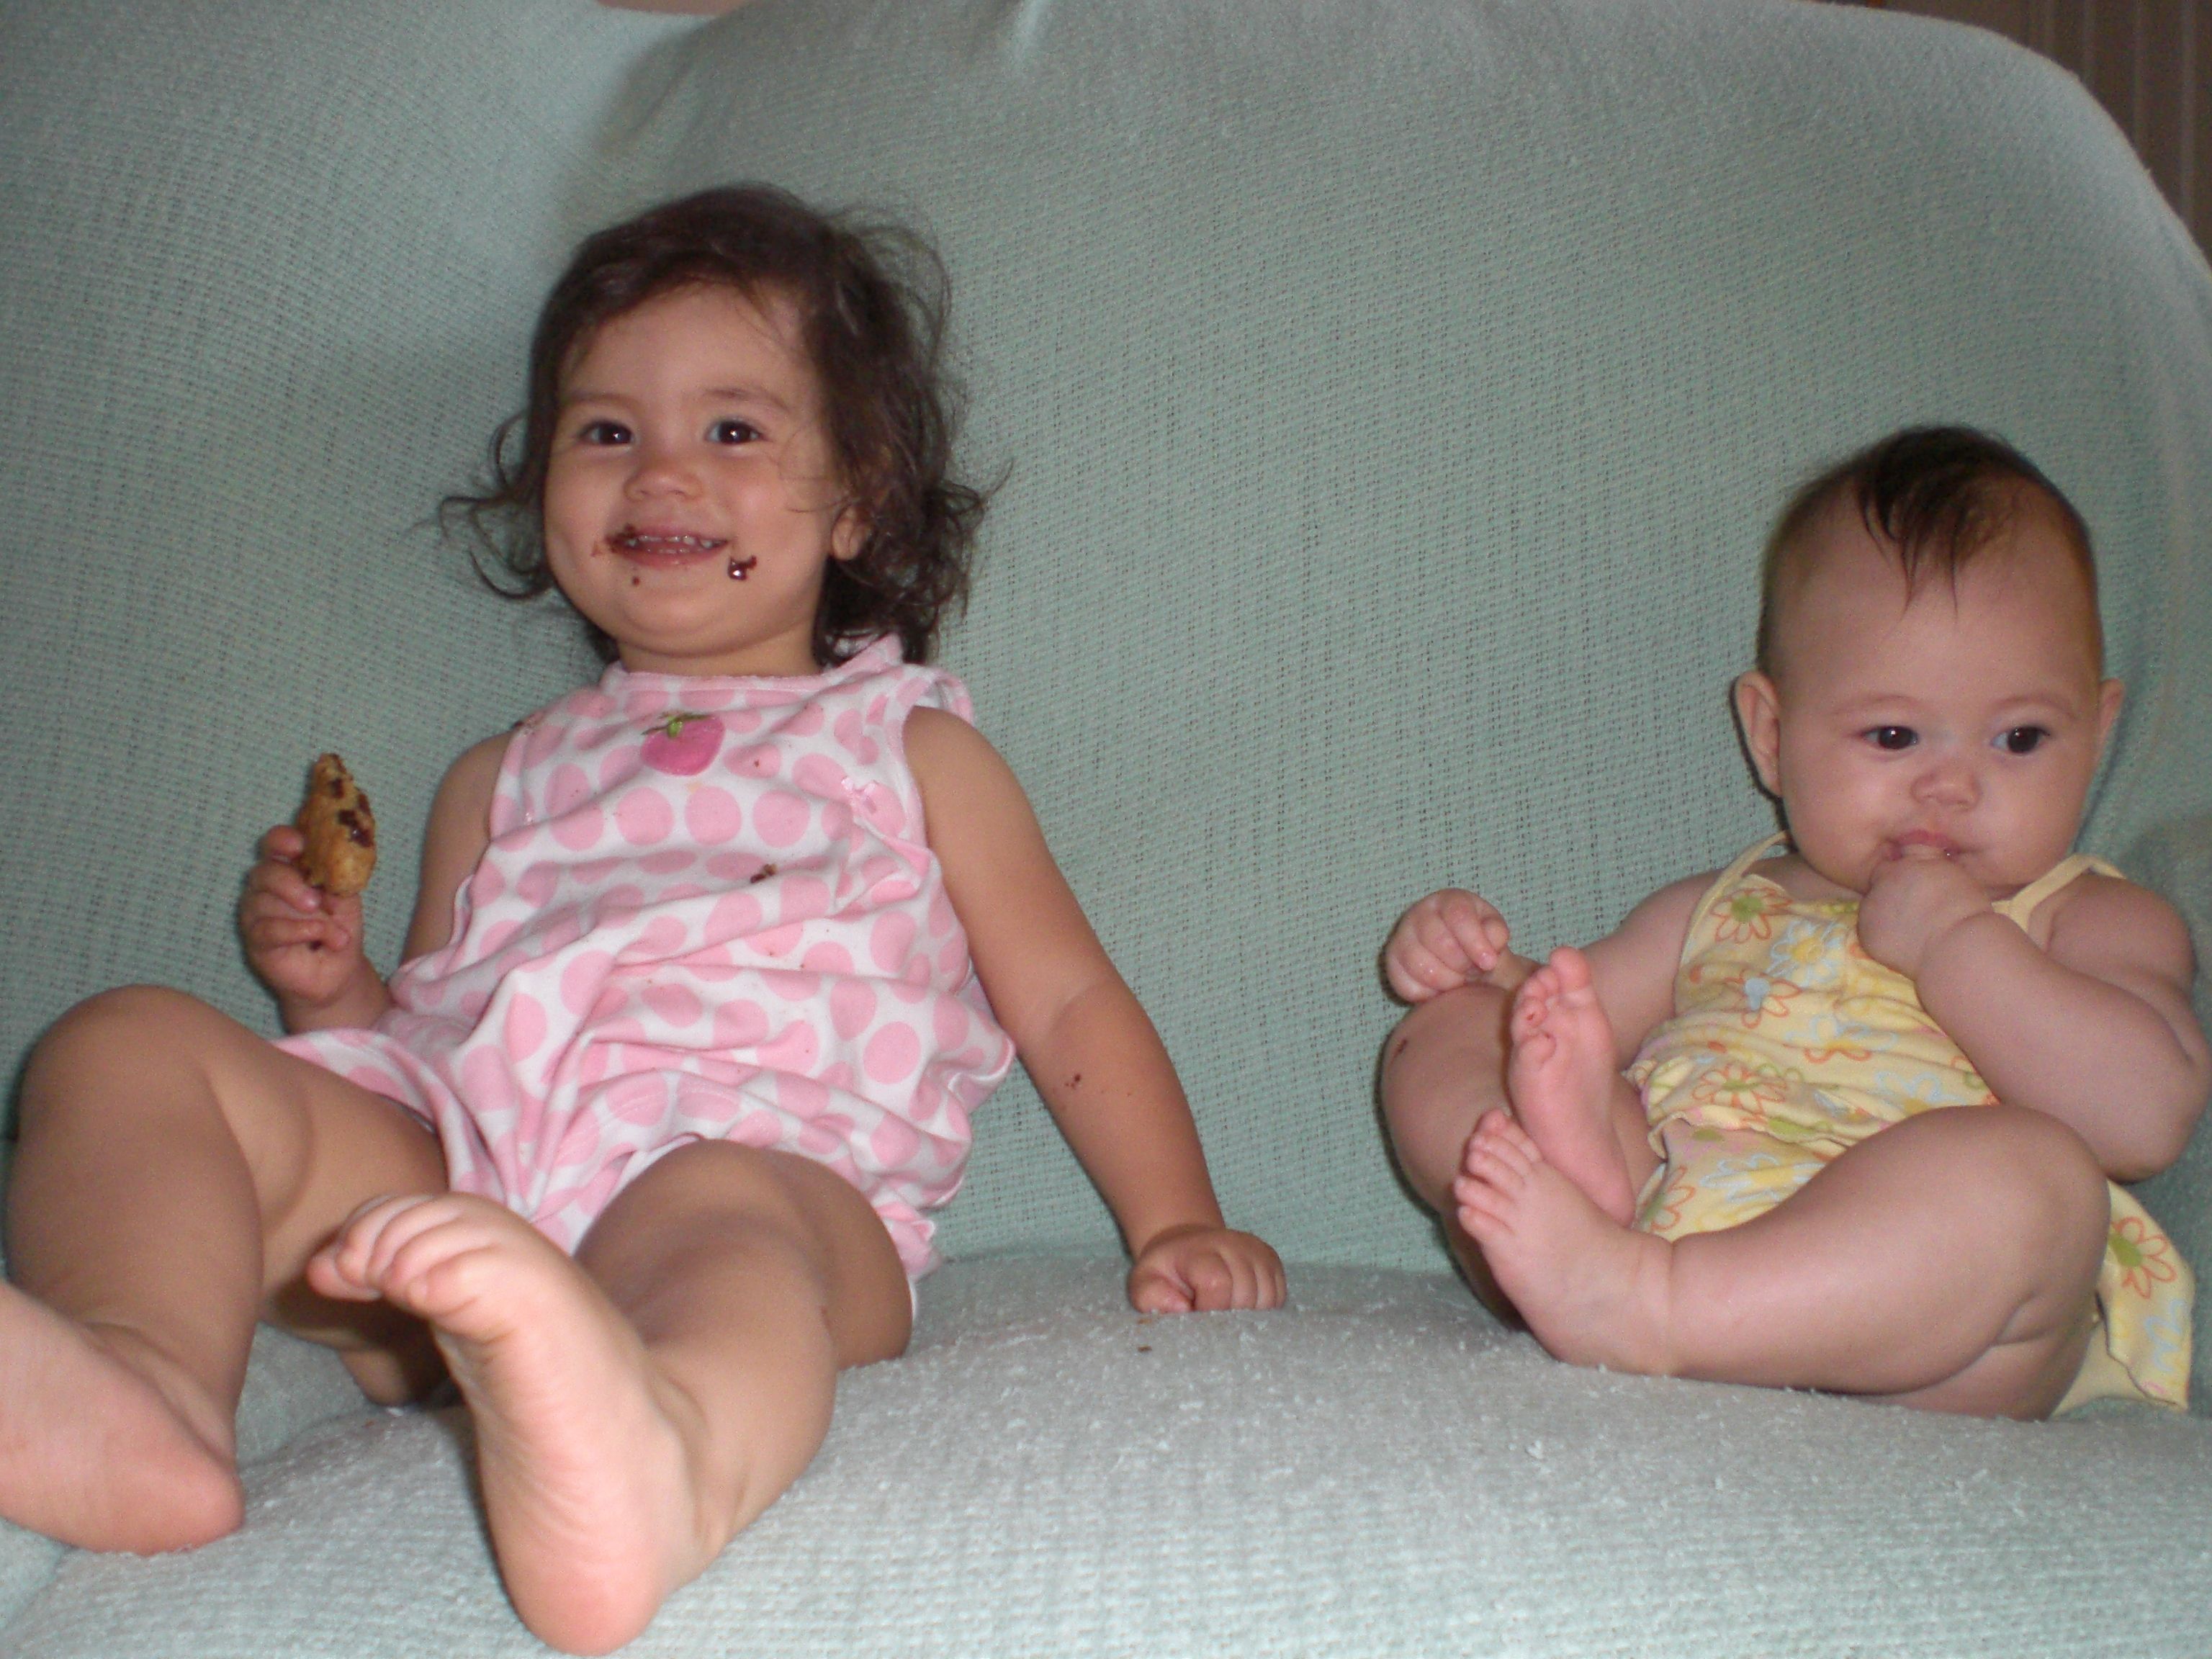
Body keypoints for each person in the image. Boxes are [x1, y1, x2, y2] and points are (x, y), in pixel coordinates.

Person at [3, 185, 1283, 1655]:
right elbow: (424, 1038)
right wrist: (324, 992)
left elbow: (1064, 1005)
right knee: (122, 1046)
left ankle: (661, 1455)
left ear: (858, 500)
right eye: (607, 431)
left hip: (765, 1180)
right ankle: (147, 1395)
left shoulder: (910, 752)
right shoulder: (499, 777)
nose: (661, 472)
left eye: (732, 430)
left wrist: (1176, 1215)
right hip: (461, 1185)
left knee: (721, 1212)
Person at [1379, 426, 2205, 1421]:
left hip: (1936, 1320)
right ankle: (1580, 1209)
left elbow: (2143, 1118)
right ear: (1772, 736)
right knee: (1445, 1032)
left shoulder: (2090, 916)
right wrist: (1479, 965)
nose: (1951, 787)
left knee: (2040, 1184)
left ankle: (1652, 1309)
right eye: (1894, 735)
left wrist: (1955, 943)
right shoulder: (1720, 906)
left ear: (2098, 731)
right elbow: (1560, 1012)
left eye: (2020, 737)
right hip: (1667, 1195)